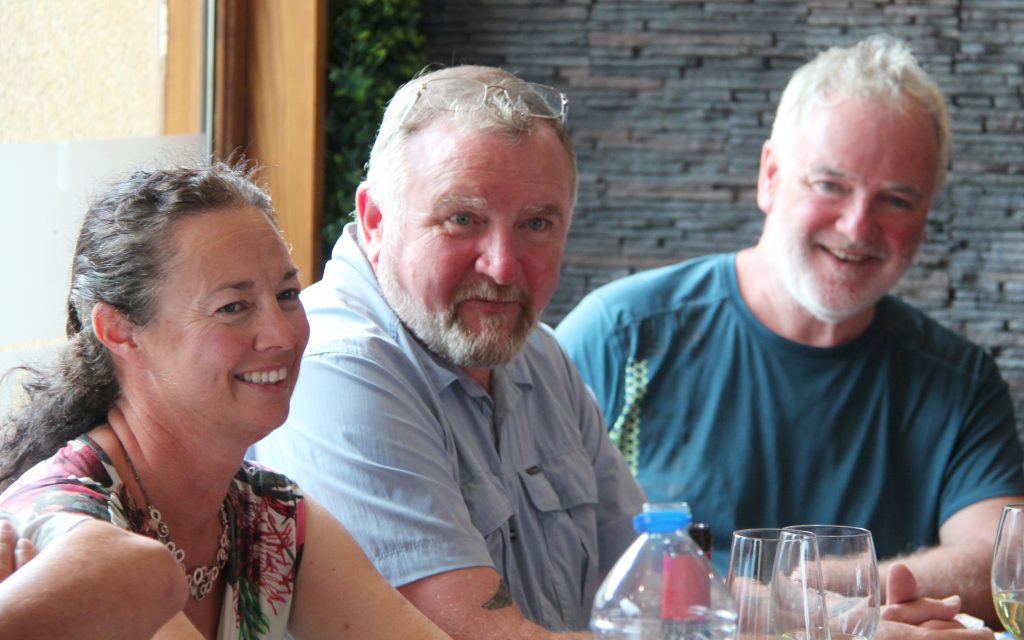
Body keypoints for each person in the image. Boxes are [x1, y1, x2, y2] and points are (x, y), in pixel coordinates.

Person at [555, 33, 1024, 628]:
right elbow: (524, 552)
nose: (857, 227)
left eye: (896, 200)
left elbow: (1003, 559)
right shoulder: (621, 337)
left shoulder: (958, 380)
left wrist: (828, 589)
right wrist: (817, 617)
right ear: (770, 176)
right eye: (830, 185)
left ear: (926, 215)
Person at [251, 65, 646, 639]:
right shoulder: (335, 369)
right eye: (462, 220)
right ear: (375, 221)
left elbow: (653, 582)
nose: (503, 266)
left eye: (537, 223)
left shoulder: (538, 355)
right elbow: (476, 635)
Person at [0, 164, 453, 640]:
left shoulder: (271, 517)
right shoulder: (59, 525)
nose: (282, 335)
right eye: (232, 307)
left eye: (287, 294)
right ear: (120, 332)